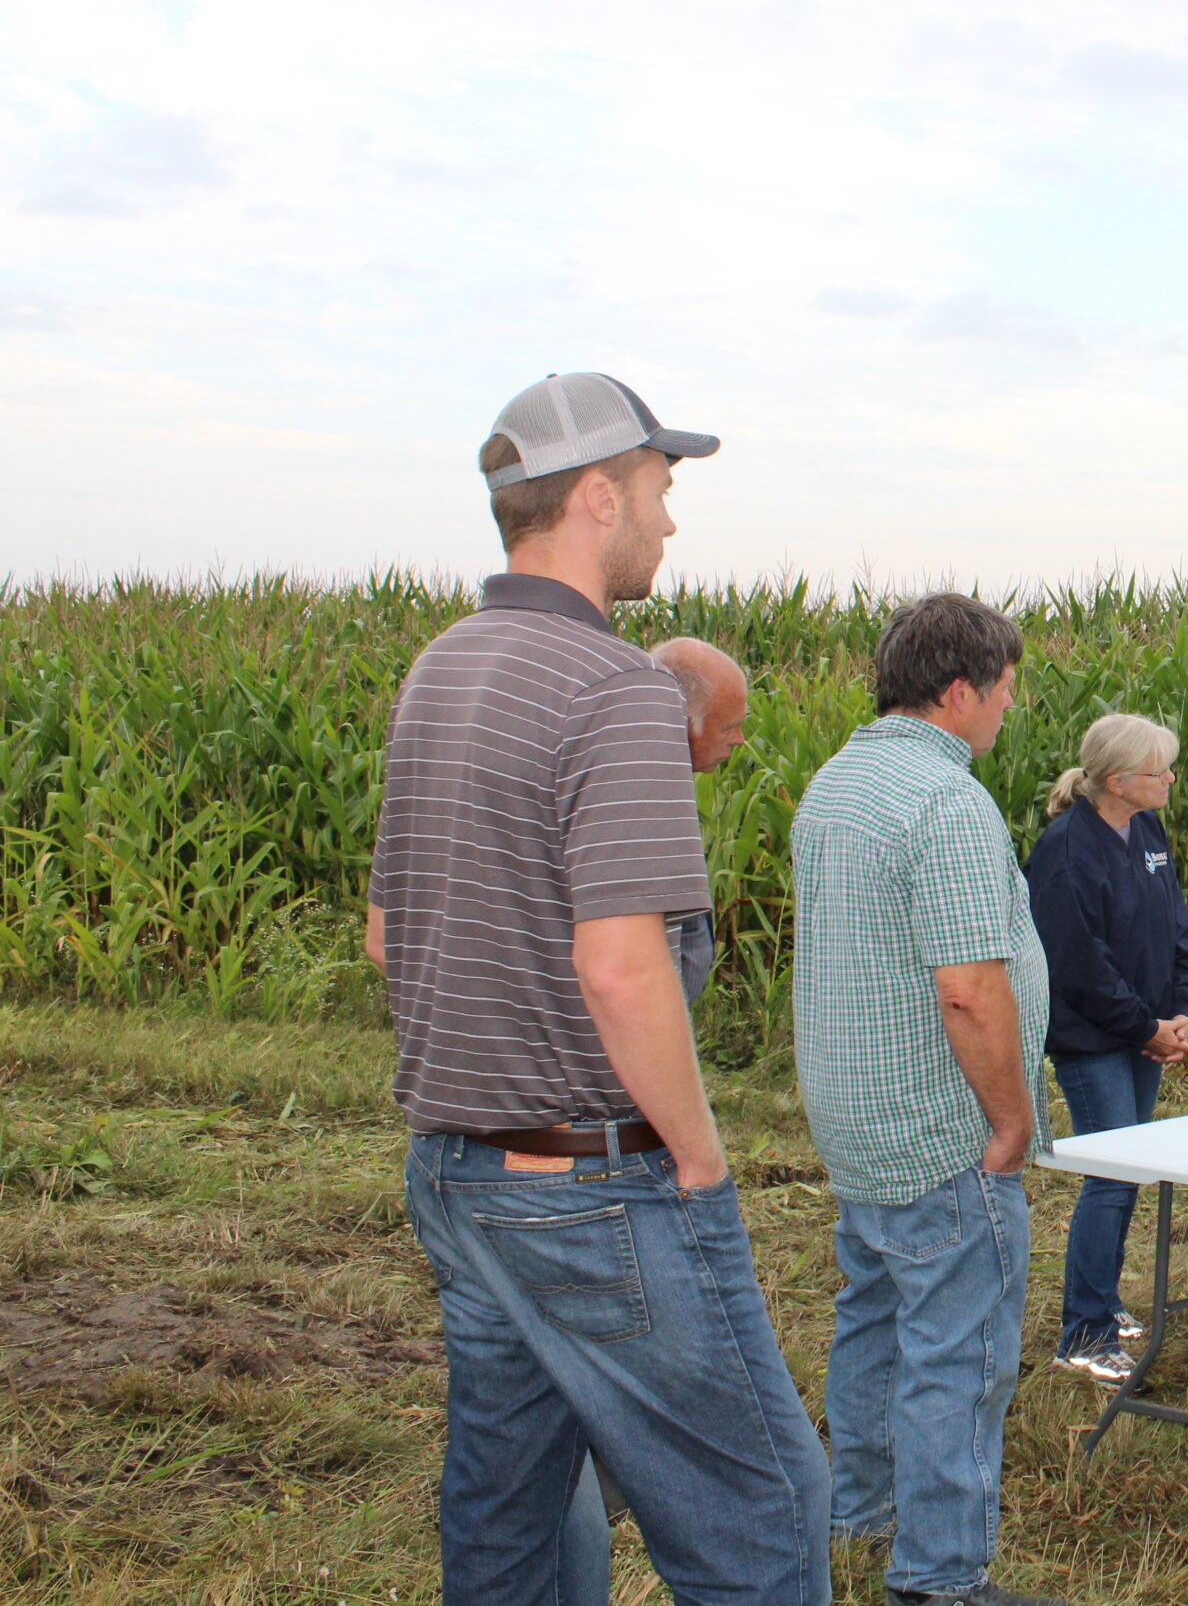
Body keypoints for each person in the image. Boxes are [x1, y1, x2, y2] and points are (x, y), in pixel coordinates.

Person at [367, 373, 830, 1605]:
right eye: (661, 491)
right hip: (593, 1179)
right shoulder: (613, 688)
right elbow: (623, 968)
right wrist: (694, 1153)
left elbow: (383, 934)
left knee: (510, 1517)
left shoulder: (442, 668)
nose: (669, 522)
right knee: (768, 1511)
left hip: (460, 1171)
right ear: (594, 496)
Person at [791, 593, 1071, 1606]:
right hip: (937, 1128)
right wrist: (1008, 1121)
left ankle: (857, 1522)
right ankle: (939, 1578)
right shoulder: (945, 803)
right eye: (1002, 691)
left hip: (858, 1120)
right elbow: (967, 985)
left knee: (870, 1323)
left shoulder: (840, 781)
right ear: (959, 692)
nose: (1007, 709)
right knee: (960, 1358)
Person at [1026, 712, 1188, 1386]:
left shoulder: (1147, 831)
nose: (1171, 779)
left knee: (1131, 1166)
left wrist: (1179, 1010)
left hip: (1145, 1033)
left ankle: (1104, 1298)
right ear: (1122, 780)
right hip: (1096, 1039)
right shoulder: (1066, 849)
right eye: (1161, 770)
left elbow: (1175, 924)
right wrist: (1141, 1026)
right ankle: (1085, 1329)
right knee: (1113, 1173)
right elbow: (1077, 964)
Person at [650, 636, 751, 1004]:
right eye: (728, 727)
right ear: (684, 722)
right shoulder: (643, 805)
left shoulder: (670, 789)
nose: (739, 740)